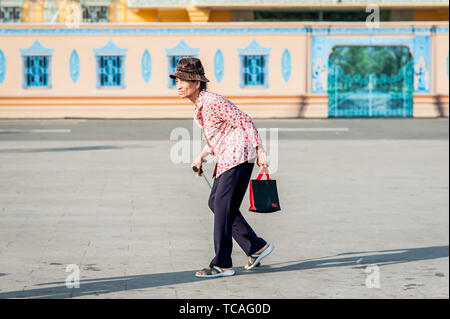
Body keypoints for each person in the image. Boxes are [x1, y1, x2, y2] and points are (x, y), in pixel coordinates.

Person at [170, 57, 274, 278]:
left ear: (197, 83)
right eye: (176, 80)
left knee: (221, 204)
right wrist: (200, 157)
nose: (179, 85)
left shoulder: (211, 101)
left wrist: (261, 150)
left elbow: (244, 120)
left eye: (184, 80)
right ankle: (256, 247)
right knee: (217, 204)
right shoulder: (200, 106)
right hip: (229, 157)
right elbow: (219, 135)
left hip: (238, 156)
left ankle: (223, 264)